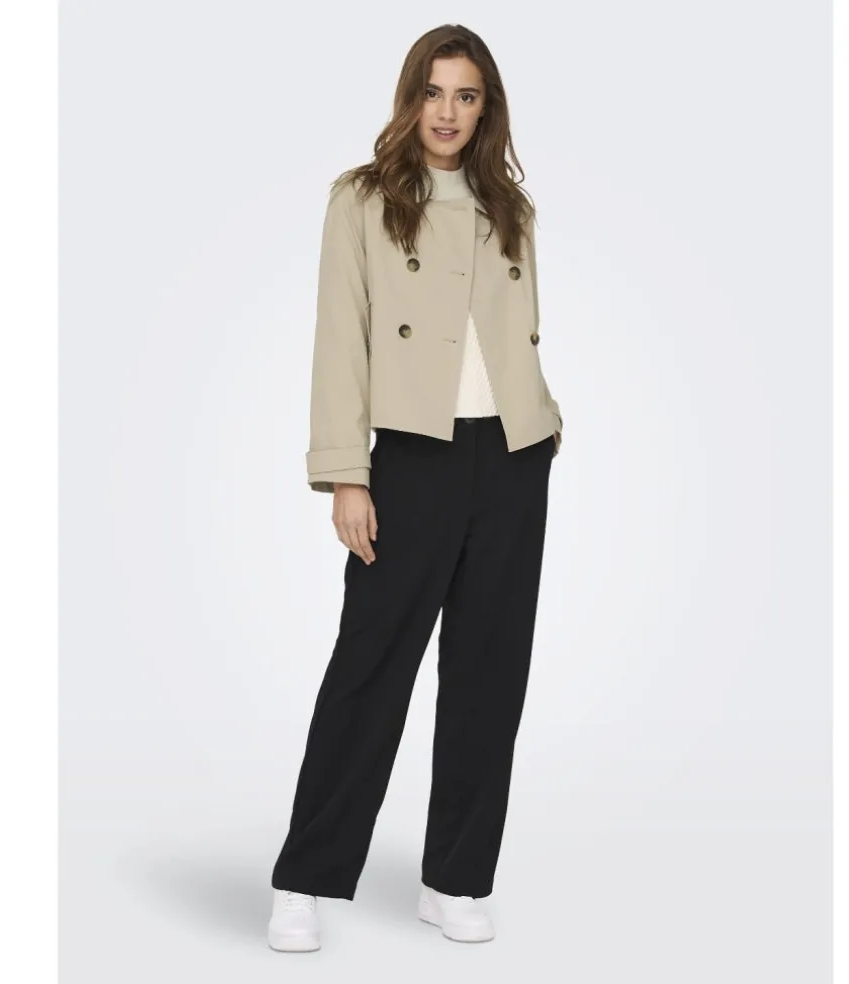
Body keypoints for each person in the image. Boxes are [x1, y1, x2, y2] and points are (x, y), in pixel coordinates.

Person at [268, 23, 563, 952]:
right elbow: (340, 337)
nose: (448, 112)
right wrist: (345, 474)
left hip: (511, 457)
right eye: (434, 92)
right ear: (410, 98)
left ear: (486, 108)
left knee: (490, 675)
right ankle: (306, 879)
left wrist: (546, 423)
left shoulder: (508, 205)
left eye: (466, 95)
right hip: (414, 457)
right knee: (370, 668)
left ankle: (456, 878)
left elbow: (517, 332)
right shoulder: (361, 199)